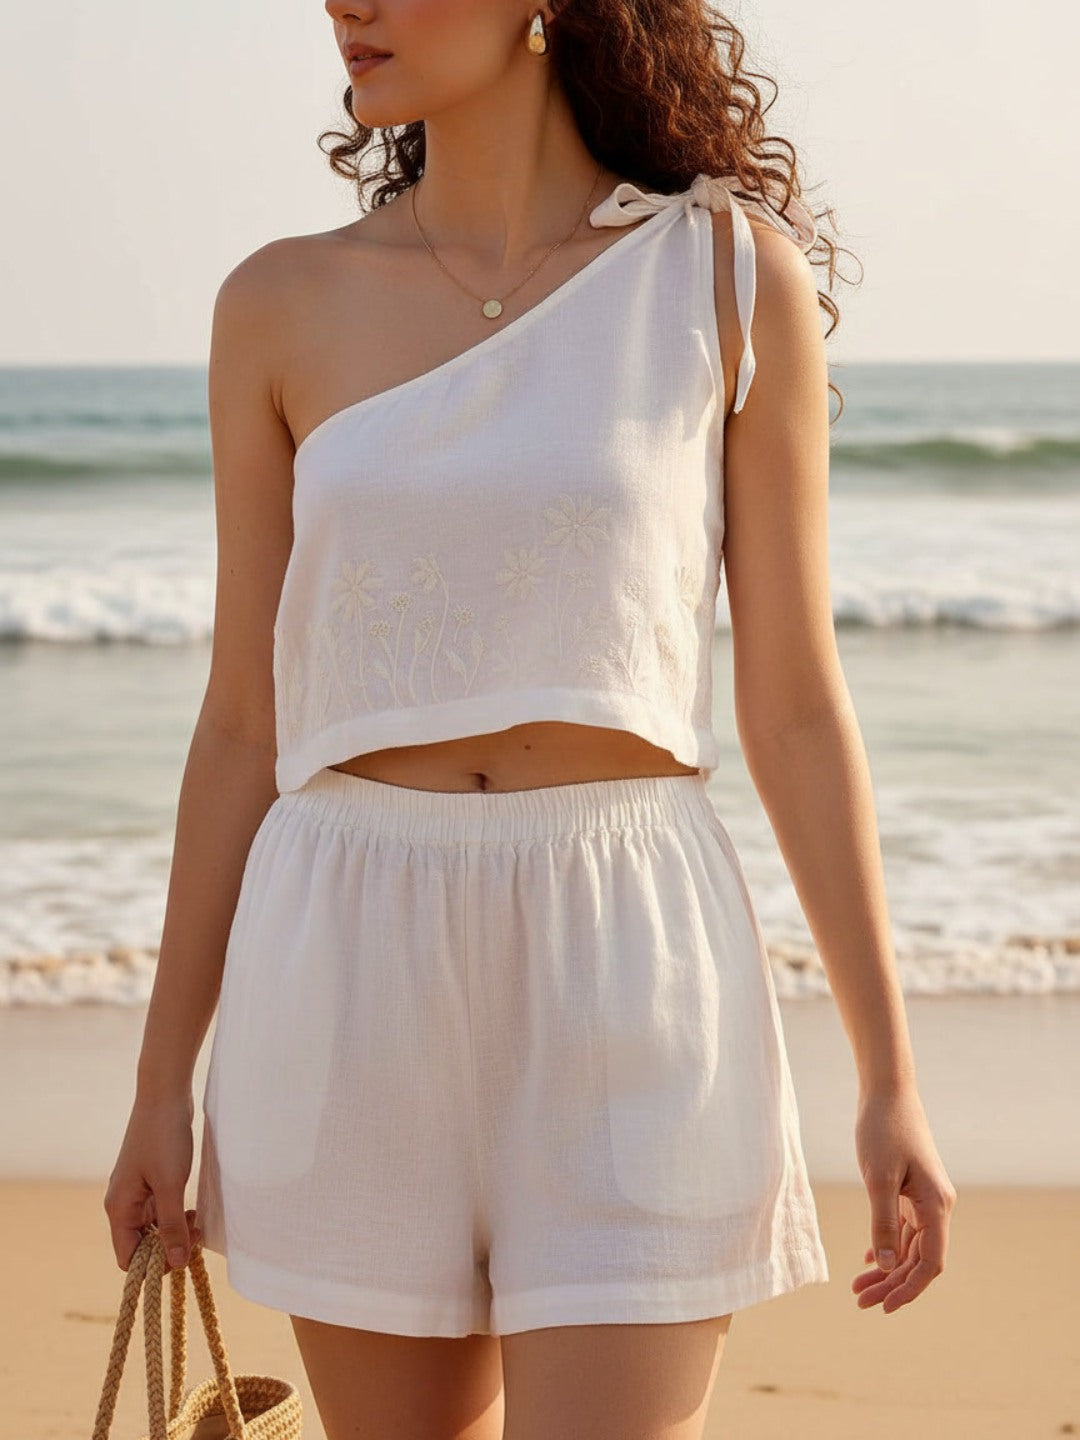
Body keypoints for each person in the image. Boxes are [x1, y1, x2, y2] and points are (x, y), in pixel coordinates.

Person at [104, 4, 957, 1437]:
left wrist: (890, 1080)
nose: (346, 5)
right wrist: (154, 1087)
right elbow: (246, 724)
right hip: (346, 957)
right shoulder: (277, 303)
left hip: (628, 952)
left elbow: (797, 703)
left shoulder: (729, 277)